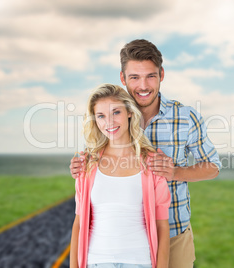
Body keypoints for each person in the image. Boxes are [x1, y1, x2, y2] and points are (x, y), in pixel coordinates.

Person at [70, 39, 222, 268]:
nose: (143, 85)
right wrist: (80, 166)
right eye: (134, 77)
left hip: (173, 233)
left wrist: (174, 172)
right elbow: (95, 156)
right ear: (123, 78)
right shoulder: (114, 113)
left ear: (161, 74)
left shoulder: (186, 117)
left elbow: (213, 167)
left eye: (150, 76)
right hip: (120, 244)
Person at [70, 84, 171, 268]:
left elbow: (162, 226)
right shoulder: (87, 164)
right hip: (96, 261)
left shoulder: (153, 163)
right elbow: (78, 223)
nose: (109, 122)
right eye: (101, 116)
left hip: (139, 261)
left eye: (116, 112)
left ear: (129, 113)